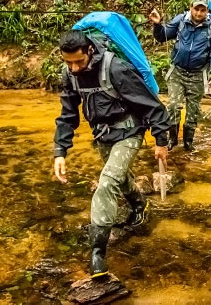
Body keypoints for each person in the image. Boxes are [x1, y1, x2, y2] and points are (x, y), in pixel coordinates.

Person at [52, 30, 170, 279]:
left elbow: (152, 105)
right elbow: (68, 115)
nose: (73, 68)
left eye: (78, 62)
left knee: (106, 183)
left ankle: (97, 253)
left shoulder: (116, 69)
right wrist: (60, 151)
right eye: (67, 62)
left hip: (129, 133)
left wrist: (161, 140)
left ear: (90, 52)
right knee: (119, 177)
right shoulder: (69, 75)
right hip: (102, 137)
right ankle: (140, 204)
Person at [149, 0, 211, 151]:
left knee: (193, 110)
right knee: (173, 106)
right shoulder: (180, 21)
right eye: (196, 9)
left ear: (207, 11)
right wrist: (157, 25)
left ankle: (188, 142)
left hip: (198, 75)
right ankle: (173, 139)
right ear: (190, 8)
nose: (198, 13)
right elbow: (162, 37)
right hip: (178, 72)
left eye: (202, 10)